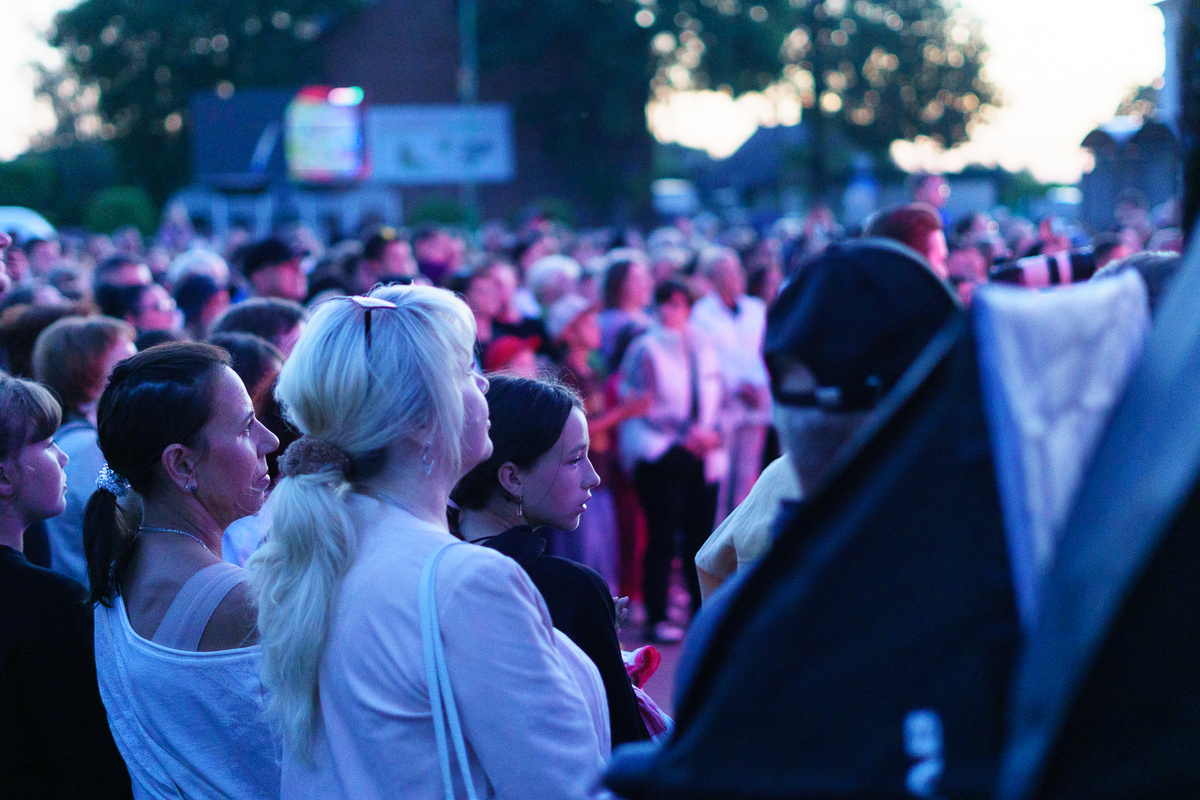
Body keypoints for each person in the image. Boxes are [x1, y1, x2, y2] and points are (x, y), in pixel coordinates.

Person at [248, 286, 609, 799]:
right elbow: (563, 788)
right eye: (464, 370)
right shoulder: (465, 583)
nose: (483, 382)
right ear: (419, 422)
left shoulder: (319, 545)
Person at [85, 342, 282, 799]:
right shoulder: (240, 601)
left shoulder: (121, 566)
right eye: (246, 426)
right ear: (181, 463)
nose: (269, 441)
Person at [451, 375, 650, 748]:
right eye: (575, 459)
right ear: (512, 478)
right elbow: (619, 737)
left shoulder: (432, 559)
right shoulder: (566, 587)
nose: (592, 477)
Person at [0, 374, 132, 799]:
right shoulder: (49, 605)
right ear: (3, 476)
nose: (63, 457)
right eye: (45, 443)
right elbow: (88, 762)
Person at [618, 280, 724, 642]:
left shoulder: (704, 344)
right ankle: (658, 613)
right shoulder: (645, 346)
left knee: (702, 536)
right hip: (661, 450)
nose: (672, 310)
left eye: (680, 303)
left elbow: (716, 393)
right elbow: (639, 402)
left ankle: (702, 611)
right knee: (662, 535)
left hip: (703, 452)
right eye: (666, 302)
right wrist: (685, 434)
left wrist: (712, 432)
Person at [33, 315, 137, 585]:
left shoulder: (67, 440)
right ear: (85, 373)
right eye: (127, 362)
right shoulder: (88, 448)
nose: (141, 370)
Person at [691, 247, 772, 520]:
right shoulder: (702, 314)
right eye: (724, 272)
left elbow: (762, 352)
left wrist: (758, 386)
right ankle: (718, 549)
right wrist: (736, 386)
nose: (733, 277)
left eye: (736, 271)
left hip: (756, 401)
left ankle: (744, 547)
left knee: (748, 479)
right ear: (712, 278)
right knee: (722, 479)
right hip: (722, 405)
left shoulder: (756, 309)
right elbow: (705, 359)